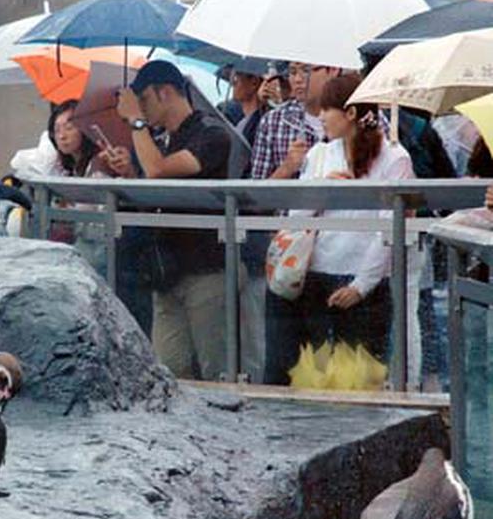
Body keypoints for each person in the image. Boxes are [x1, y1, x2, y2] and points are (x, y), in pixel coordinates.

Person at [264, 74, 415, 385]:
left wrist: (361, 286)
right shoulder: (320, 153)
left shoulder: (395, 158)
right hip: (315, 277)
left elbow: (388, 231)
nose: (320, 117)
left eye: (326, 109)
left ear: (350, 113)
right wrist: (324, 189)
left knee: (358, 382)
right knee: (313, 381)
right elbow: (297, 217)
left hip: (366, 285)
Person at [106, 60, 242, 380]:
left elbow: (159, 172)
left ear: (165, 93)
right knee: (169, 371)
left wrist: (137, 124)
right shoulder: (162, 139)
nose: (142, 110)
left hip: (207, 272)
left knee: (217, 371)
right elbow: (153, 188)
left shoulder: (211, 133)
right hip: (166, 273)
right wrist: (129, 173)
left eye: (145, 101)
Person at [250, 62, 342, 179]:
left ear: (333, 70)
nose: (297, 79)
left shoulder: (349, 119)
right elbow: (257, 192)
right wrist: (287, 168)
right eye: (292, 72)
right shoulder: (274, 122)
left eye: (306, 70)